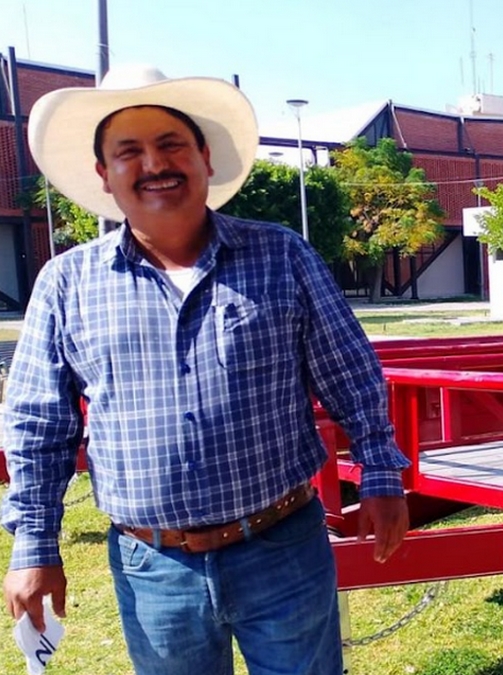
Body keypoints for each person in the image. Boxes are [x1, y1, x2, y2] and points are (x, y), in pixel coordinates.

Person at [1, 65, 410, 675]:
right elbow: (39, 424)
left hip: (283, 547)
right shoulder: (67, 283)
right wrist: (34, 546)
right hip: (153, 566)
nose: (154, 164)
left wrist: (380, 474)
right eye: (129, 151)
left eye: (171, 145)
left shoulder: (281, 255)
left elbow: (351, 374)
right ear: (103, 175)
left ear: (204, 159)